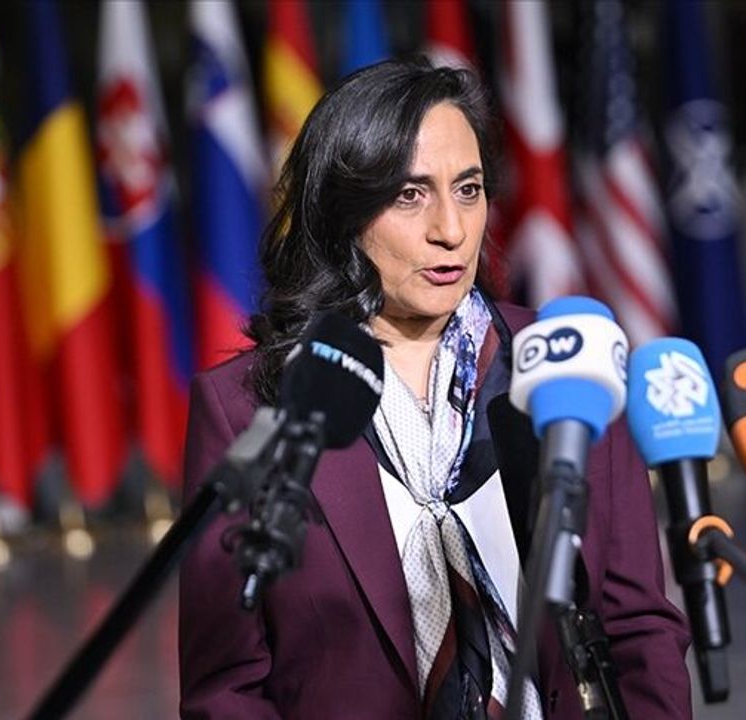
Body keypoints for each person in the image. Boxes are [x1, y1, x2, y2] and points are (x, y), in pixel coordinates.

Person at [179, 57, 691, 719]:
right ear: (343, 211)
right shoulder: (249, 407)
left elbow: (640, 629)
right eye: (409, 195)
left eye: (469, 189)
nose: (450, 229)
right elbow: (227, 691)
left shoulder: (571, 363)